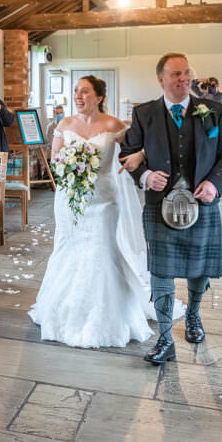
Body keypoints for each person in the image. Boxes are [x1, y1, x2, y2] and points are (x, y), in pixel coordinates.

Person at [30, 76, 180, 348]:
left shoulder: (114, 125)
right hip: (70, 200)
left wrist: (142, 157)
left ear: (98, 97)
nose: (78, 96)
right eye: (76, 91)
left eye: (85, 91)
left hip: (104, 200)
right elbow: (55, 160)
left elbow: (140, 147)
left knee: (102, 250)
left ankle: (105, 315)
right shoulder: (65, 125)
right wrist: (69, 166)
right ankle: (65, 308)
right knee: (68, 249)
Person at [119, 53, 222, 365]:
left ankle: (194, 316)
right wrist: (145, 175)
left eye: (187, 73)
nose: (184, 78)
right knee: (161, 271)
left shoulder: (213, 110)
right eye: (176, 74)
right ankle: (164, 338)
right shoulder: (144, 113)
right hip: (159, 205)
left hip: (202, 201)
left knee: (199, 269)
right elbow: (129, 152)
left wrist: (214, 183)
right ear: (161, 79)